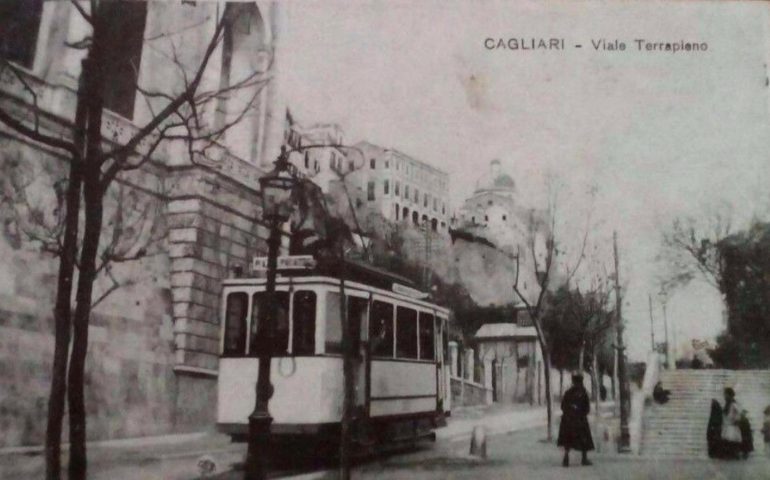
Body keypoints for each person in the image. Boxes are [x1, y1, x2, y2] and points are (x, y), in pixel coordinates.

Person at [557, 373, 594, 467]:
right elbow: (587, 408)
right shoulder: (583, 393)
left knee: (568, 439)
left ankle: (566, 458)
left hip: (568, 420)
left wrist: (570, 411)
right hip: (580, 420)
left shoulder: (568, 392)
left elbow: (563, 406)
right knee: (584, 439)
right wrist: (579, 412)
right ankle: (584, 459)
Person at [721, 388, 743, 459]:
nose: (724, 396)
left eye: (725, 394)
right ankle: (730, 455)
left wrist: (736, 420)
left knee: (732, 441)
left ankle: (734, 455)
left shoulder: (734, 404)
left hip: (732, 426)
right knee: (728, 441)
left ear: (729, 395)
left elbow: (739, 413)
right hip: (727, 426)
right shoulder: (727, 403)